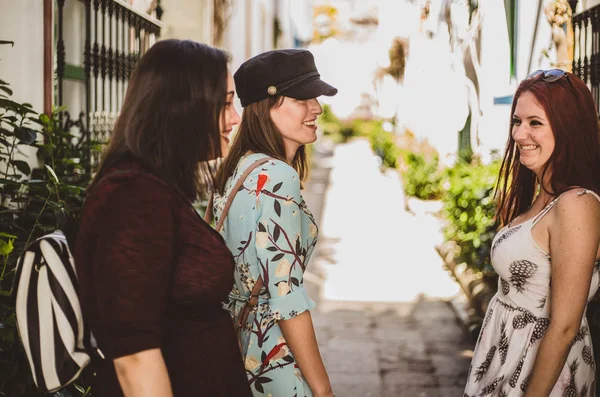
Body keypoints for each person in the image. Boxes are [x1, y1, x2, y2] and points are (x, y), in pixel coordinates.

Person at [73, 39, 250, 397]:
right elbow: (134, 355)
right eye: (227, 102)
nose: (235, 118)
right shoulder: (134, 197)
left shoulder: (154, 189)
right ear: (183, 106)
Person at [463, 69, 600, 396]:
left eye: (535, 122)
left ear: (568, 128)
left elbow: (565, 325)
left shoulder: (576, 204)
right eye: (517, 121)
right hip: (506, 357)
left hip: (541, 372)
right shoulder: (544, 196)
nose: (520, 133)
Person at [212, 49, 337, 397]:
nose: (317, 108)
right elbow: (287, 298)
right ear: (266, 106)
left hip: (239, 348)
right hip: (273, 359)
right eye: (302, 98)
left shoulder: (238, 168)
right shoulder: (276, 178)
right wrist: (323, 389)